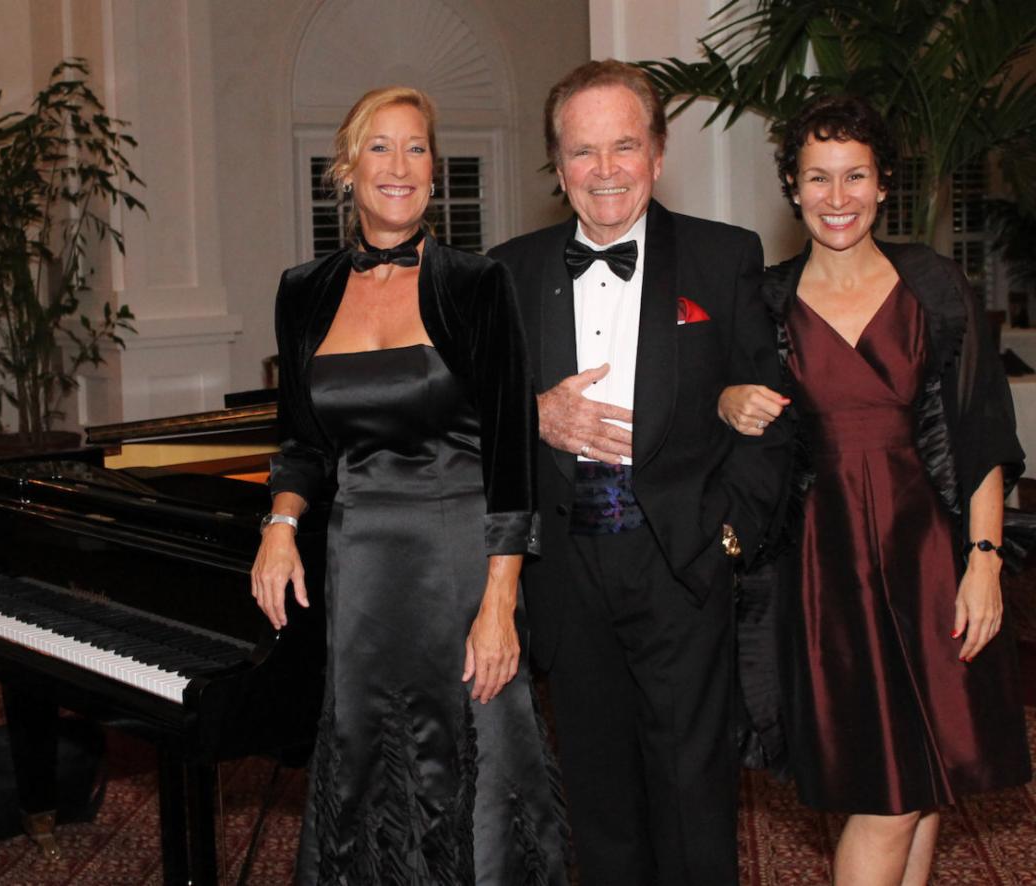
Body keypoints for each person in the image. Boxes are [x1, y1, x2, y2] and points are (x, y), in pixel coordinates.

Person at [250, 86, 568, 885]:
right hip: (360, 566)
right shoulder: (303, 291)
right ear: (346, 169)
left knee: (481, 761)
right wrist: (280, 526)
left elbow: (511, 457)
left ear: (434, 170)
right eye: (380, 147)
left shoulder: (476, 284)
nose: (400, 165)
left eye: (417, 148)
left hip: (461, 566)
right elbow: (302, 443)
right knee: (366, 758)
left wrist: (500, 606)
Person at [488, 60, 791, 884]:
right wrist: (533, 414)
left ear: (657, 154)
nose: (606, 170)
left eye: (623, 146)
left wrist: (727, 539)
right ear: (558, 168)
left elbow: (771, 416)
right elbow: (467, 418)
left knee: (693, 803)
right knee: (600, 807)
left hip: (681, 561)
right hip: (564, 571)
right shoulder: (508, 272)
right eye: (582, 151)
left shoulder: (723, 257)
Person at [719, 94, 1031, 885]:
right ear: (792, 186)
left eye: (854, 175)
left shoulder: (935, 285)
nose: (837, 196)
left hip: (930, 559)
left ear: (884, 182)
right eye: (817, 177)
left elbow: (980, 432)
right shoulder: (764, 300)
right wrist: (727, 400)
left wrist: (985, 561)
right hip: (827, 573)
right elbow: (709, 405)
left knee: (925, 784)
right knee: (886, 795)